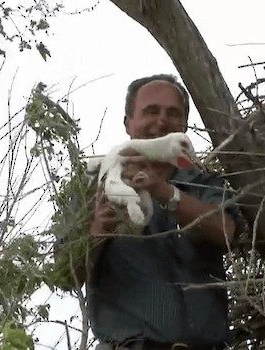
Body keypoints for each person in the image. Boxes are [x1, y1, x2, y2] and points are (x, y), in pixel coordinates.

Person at [84, 74, 246, 350]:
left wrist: (163, 191)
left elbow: (228, 234)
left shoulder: (203, 183)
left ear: (184, 126)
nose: (161, 122)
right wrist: (99, 230)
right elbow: (67, 274)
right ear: (128, 123)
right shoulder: (92, 189)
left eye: (173, 114)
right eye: (151, 111)